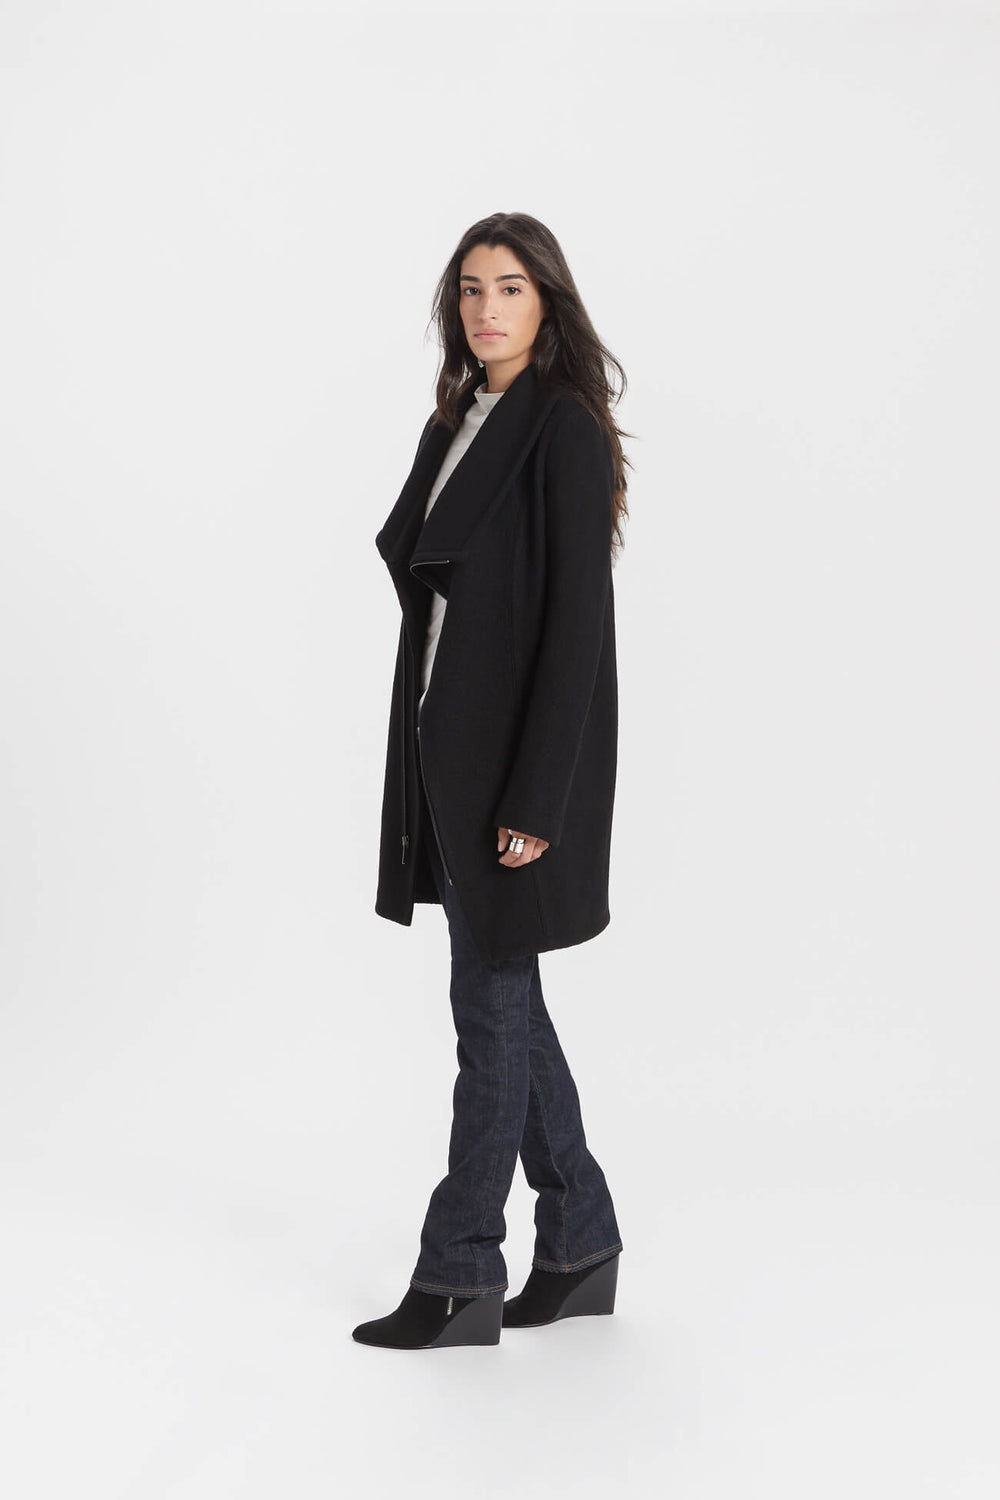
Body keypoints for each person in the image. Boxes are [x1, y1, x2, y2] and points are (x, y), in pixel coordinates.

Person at [353, 212, 633, 1350]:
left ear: (546, 301)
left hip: (510, 768)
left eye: (509, 287)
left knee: (488, 1004)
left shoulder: (560, 429)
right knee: (505, 995)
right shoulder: (458, 421)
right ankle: (581, 1240)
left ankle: (462, 1265)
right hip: (442, 748)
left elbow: (576, 627)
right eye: (470, 288)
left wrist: (535, 799)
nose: (486, 308)